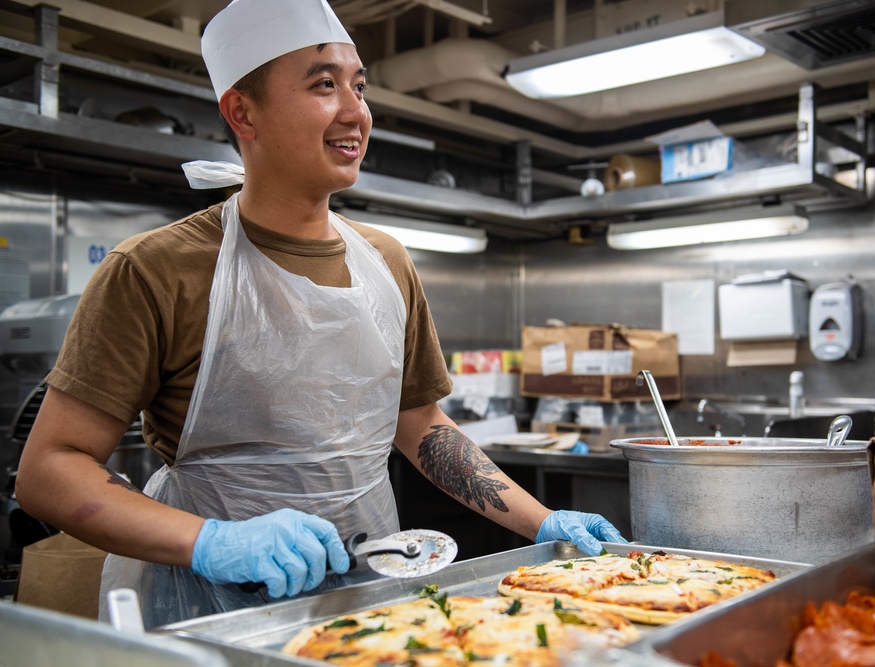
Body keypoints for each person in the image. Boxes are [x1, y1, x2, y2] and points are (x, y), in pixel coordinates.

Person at [15, 0, 626, 628]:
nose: (355, 110)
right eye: (323, 84)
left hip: (374, 592)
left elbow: (420, 425)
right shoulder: (156, 268)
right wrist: (213, 543)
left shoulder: (386, 262)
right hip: (207, 609)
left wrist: (541, 521)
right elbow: (48, 471)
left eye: (359, 85)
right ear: (242, 112)